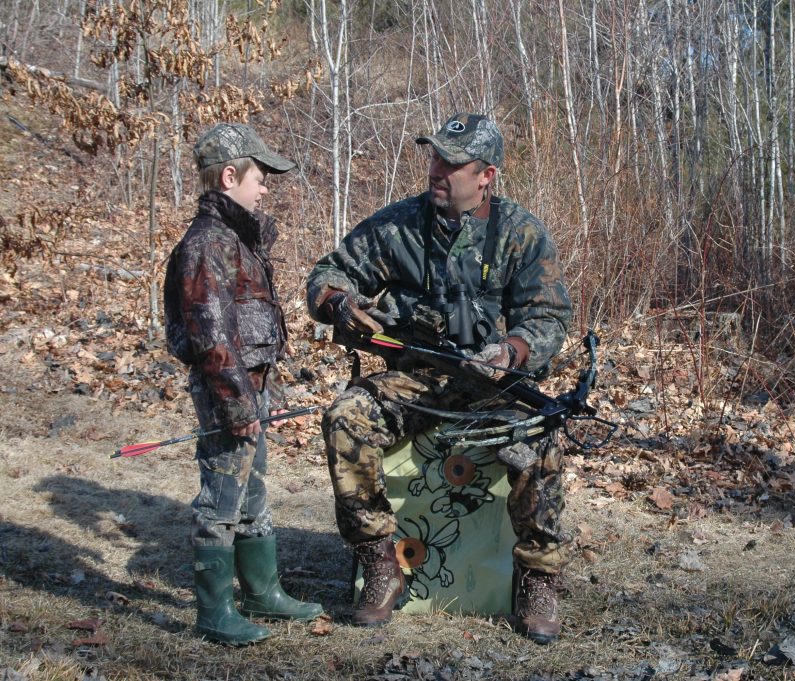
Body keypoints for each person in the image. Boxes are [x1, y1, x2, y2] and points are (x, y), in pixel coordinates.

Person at [306, 112, 573, 644]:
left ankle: (539, 577)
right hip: (416, 382)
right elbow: (326, 274)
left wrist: (512, 350)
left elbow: (548, 319)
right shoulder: (398, 224)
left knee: (543, 434)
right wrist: (341, 305)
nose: (437, 171)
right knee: (345, 418)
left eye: (452, 164)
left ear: (486, 176)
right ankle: (380, 561)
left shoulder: (520, 233)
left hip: (491, 386)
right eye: (434, 158)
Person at [164, 122, 323, 645]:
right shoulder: (208, 244)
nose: (266, 187)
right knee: (222, 497)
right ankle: (215, 613)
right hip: (229, 390)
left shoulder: (236, 238)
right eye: (260, 176)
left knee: (252, 489)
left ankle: (262, 593)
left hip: (254, 383)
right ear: (230, 176)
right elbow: (211, 335)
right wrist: (235, 403)